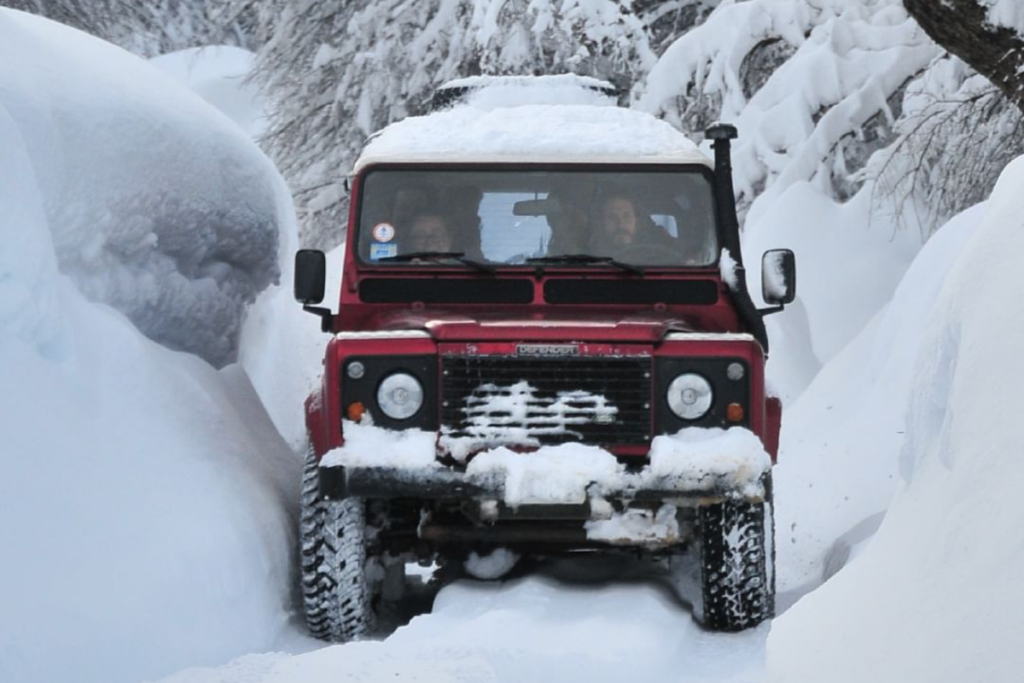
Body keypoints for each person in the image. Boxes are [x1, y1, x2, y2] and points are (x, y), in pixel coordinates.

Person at [589, 191, 679, 262]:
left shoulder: (659, 252)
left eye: (627, 216)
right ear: (601, 222)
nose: (620, 224)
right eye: (611, 217)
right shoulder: (588, 253)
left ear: (637, 220)